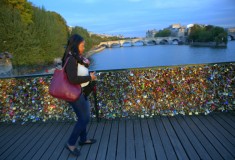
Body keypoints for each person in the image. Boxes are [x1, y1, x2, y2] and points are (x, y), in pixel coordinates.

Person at [62, 34, 97, 156]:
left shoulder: (75, 57)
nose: (83, 47)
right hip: (76, 94)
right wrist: (90, 77)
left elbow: (77, 73)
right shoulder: (71, 59)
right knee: (84, 118)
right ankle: (71, 144)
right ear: (75, 45)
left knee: (82, 117)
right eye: (82, 45)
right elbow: (73, 79)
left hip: (80, 92)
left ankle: (83, 139)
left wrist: (88, 74)